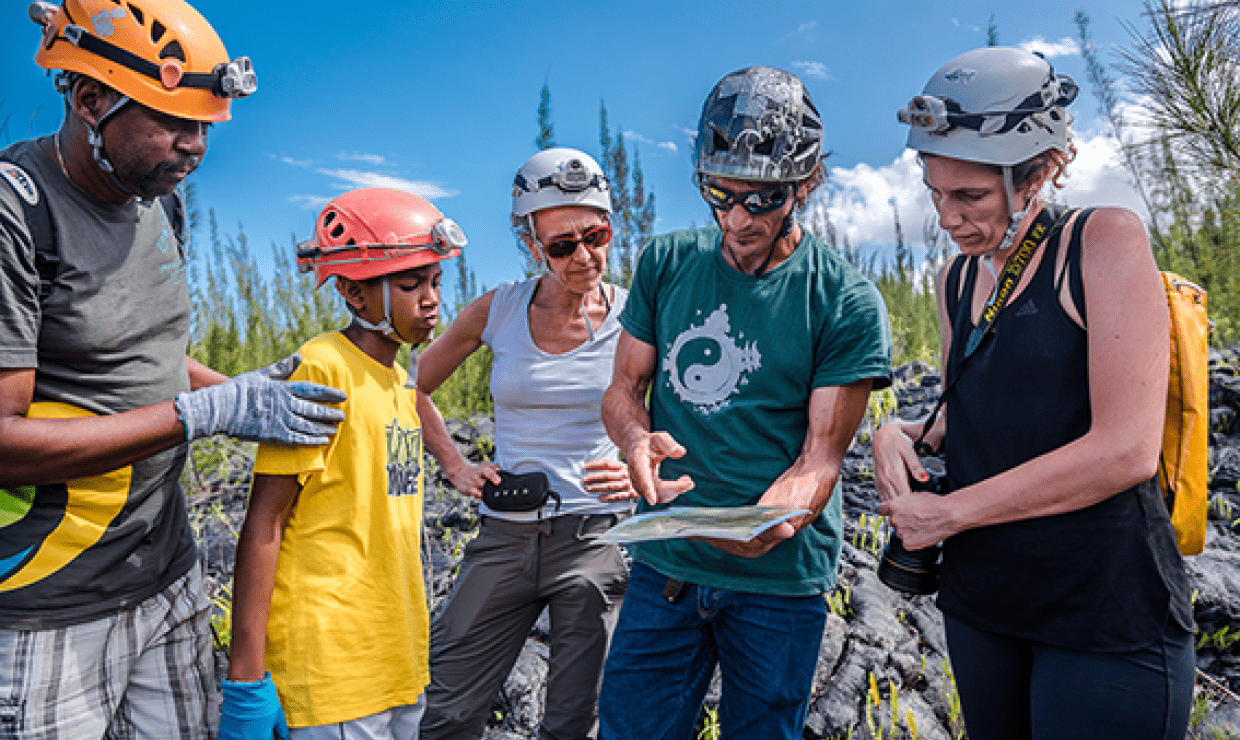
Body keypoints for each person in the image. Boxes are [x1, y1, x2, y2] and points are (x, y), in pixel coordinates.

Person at [0, 2, 345, 738]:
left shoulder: (158, 201)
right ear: (91, 99)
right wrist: (206, 417)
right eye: (172, 122)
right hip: (50, 602)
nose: (192, 147)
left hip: (166, 576)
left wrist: (249, 398)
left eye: (205, 128)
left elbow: (144, 356)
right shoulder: (16, 214)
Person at [872, 46, 1195, 740]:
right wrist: (898, 435)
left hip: (1104, 607)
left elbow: (1125, 451)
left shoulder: (1101, 242)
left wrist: (950, 513)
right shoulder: (958, 280)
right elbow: (972, 408)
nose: (947, 217)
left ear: (1041, 169)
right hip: (984, 602)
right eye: (935, 192)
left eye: (970, 196)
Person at [598, 66, 893, 739]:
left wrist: (774, 518)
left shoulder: (843, 300)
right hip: (665, 569)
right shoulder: (667, 263)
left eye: (761, 200)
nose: (736, 219)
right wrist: (635, 440)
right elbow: (623, 390)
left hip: (779, 583)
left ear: (808, 182)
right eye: (719, 194)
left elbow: (820, 458)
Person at [221, 187, 466, 740]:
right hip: (330, 670)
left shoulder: (401, 384)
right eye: (409, 284)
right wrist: (245, 678)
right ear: (355, 294)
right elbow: (265, 524)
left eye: (434, 282)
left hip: (397, 664)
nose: (430, 300)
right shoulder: (323, 368)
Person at [417, 148, 636, 740]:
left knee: (573, 723)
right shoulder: (499, 310)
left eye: (595, 235)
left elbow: (677, 415)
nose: (584, 255)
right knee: (447, 708)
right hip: (505, 533)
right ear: (531, 245)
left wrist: (640, 476)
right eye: (562, 246)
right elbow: (408, 386)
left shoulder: (636, 317)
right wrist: (455, 466)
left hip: (595, 538)